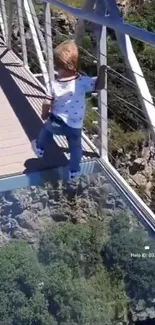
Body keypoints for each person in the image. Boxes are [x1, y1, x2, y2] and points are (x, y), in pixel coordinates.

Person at [32, 40, 105, 179]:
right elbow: (99, 85)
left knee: (46, 130)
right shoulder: (82, 82)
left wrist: (44, 114)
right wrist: (102, 73)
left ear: (57, 67)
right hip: (74, 126)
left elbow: (46, 103)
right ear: (75, 65)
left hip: (55, 122)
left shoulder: (53, 84)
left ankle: (40, 148)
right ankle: (74, 171)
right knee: (76, 148)